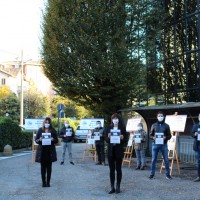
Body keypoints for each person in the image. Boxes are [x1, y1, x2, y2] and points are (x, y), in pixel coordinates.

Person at [106, 113, 126, 194]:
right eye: (114, 118)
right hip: (111, 151)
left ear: (119, 119)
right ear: (112, 119)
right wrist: (108, 137)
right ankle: (112, 187)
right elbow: (106, 139)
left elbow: (125, 139)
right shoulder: (108, 127)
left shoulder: (122, 128)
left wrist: (123, 137)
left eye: (116, 118)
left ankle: (118, 186)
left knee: (118, 169)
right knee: (111, 169)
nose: (115, 120)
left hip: (119, 150)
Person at [35, 117, 58, 187]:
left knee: (49, 168)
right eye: (46, 122)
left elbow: (57, 141)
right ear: (44, 123)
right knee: (42, 168)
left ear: (50, 123)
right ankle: (43, 182)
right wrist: (39, 139)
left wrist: (53, 139)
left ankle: (48, 182)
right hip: (42, 151)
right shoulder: (40, 130)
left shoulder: (53, 130)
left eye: (48, 122)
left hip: (50, 152)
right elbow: (36, 140)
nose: (47, 124)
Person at [149, 111, 172, 180]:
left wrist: (166, 137)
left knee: (166, 160)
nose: (160, 117)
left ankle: (167, 174)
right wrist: (153, 137)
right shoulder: (153, 125)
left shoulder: (166, 125)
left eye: (161, 116)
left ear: (163, 117)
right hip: (155, 144)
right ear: (157, 117)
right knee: (153, 160)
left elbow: (169, 135)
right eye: (159, 116)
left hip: (164, 145)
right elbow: (150, 135)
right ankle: (152, 174)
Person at [191, 113, 200, 182]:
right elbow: (191, 134)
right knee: (198, 162)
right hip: (197, 146)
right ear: (198, 117)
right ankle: (199, 176)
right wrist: (195, 134)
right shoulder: (195, 125)